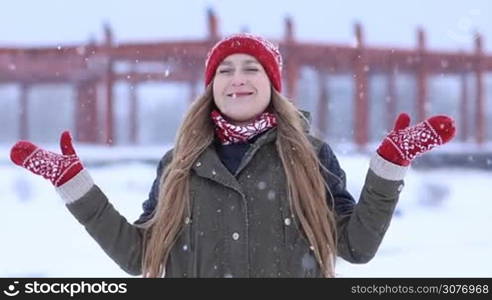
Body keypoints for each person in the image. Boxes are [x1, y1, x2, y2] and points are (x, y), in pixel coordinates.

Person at [10, 33, 456, 278]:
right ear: (211, 87)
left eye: (251, 69)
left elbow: (355, 248)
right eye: (224, 70)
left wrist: (388, 169)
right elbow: (140, 257)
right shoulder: (178, 163)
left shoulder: (310, 156)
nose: (237, 79)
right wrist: (76, 187)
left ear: (272, 85)